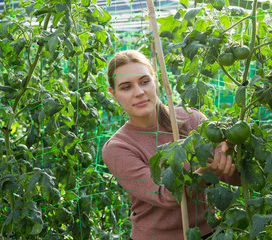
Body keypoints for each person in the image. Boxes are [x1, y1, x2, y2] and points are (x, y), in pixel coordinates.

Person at [102, 50, 241, 240]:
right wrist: (204, 175)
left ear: (155, 80)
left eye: (144, 81)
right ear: (114, 94)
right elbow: (165, 195)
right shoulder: (118, 148)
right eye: (126, 87)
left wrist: (233, 150)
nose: (139, 92)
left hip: (209, 232)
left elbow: (236, 178)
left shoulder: (192, 119)